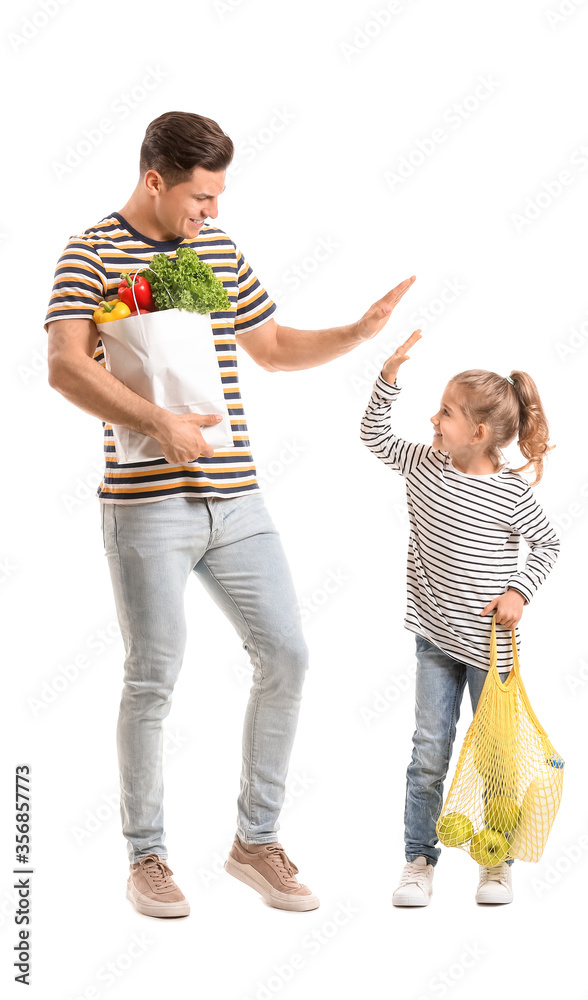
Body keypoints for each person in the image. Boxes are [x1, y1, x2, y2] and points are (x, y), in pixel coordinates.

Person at [45, 110, 415, 918]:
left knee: (287, 654)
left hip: (238, 497)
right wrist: (158, 425)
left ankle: (255, 842)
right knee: (154, 679)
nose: (210, 212)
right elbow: (65, 369)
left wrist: (355, 332)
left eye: (217, 197)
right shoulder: (93, 253)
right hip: (147, 506)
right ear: (154, 179)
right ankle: (146, 859)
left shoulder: (214, 251)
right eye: (199, 197)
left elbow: (273, 347)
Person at [360, 329, 560, 906]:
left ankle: (496, 862)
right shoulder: (424, 463)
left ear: (477, 432)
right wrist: (387, 380)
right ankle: (419, 859)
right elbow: (374, 437)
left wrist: (519, 592)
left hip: (491, 648)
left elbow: (546, 547)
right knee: (428, 752)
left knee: (495, 757)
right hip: (434, 640)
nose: (433, 420)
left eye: (444, 413)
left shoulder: (510, 493)